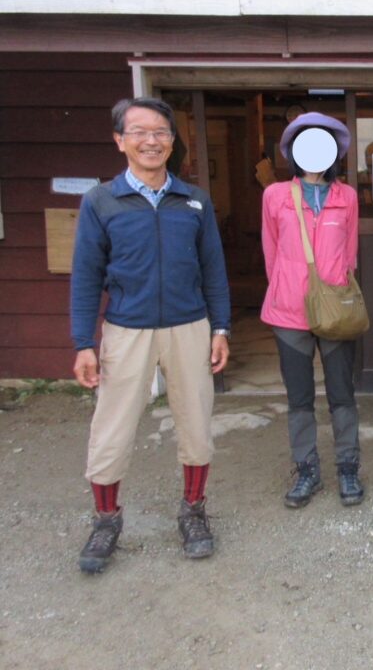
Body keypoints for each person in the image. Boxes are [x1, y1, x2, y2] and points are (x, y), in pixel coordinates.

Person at [71, 97, 231, 573]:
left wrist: (220, 327)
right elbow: (85, 276)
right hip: (126, 330)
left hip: (189, 326)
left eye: (160, 131)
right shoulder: (101, 201)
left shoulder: (194, 199)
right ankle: (105, 520)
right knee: (112, 429)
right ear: (120, 140)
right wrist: (84, 342)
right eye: (139, 131)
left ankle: (194, 512)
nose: (151, 140)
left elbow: (213, 271)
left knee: (197, 423)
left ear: (172, 140)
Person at [260, 112, 364, 509]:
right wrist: (288, 286)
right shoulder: (275, 196)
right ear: (294, 152)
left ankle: (348, 466)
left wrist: (334, 289)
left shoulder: (347, 197)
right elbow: (271, 252)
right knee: (299, 397)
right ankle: (306, 469)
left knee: (342, 393)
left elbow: (349, 253)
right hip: (288, 313)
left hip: (334, 310)